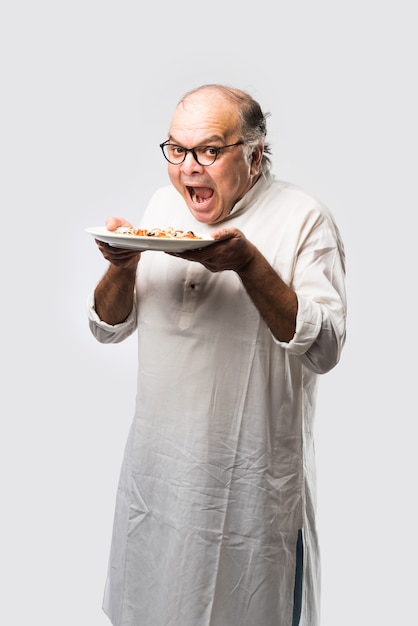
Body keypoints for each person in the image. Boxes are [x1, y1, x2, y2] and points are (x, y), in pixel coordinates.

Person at [87, 84, 347, 626]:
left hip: (250, 496)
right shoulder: (162, 209)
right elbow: (108, 328)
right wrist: (123, 262)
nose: (189, 168)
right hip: (158, 488)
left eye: (209, 149)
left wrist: (250, 266)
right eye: (177, 151)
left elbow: (325, 349)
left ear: (253, 154)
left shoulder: (304, 219)